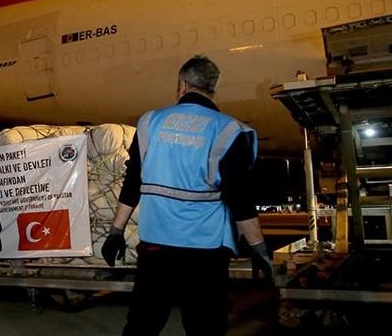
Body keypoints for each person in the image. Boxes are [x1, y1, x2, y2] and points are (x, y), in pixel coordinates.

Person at [101, 55, 274, 336]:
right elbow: (239, 198)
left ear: (182, 85)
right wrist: (259, 249)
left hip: (156, 244)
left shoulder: (149, 123)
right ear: (213, 88)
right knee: (205, 327)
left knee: (142, 324)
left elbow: (132, 182)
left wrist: (116, 232)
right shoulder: (231, 130)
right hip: (206, 250)